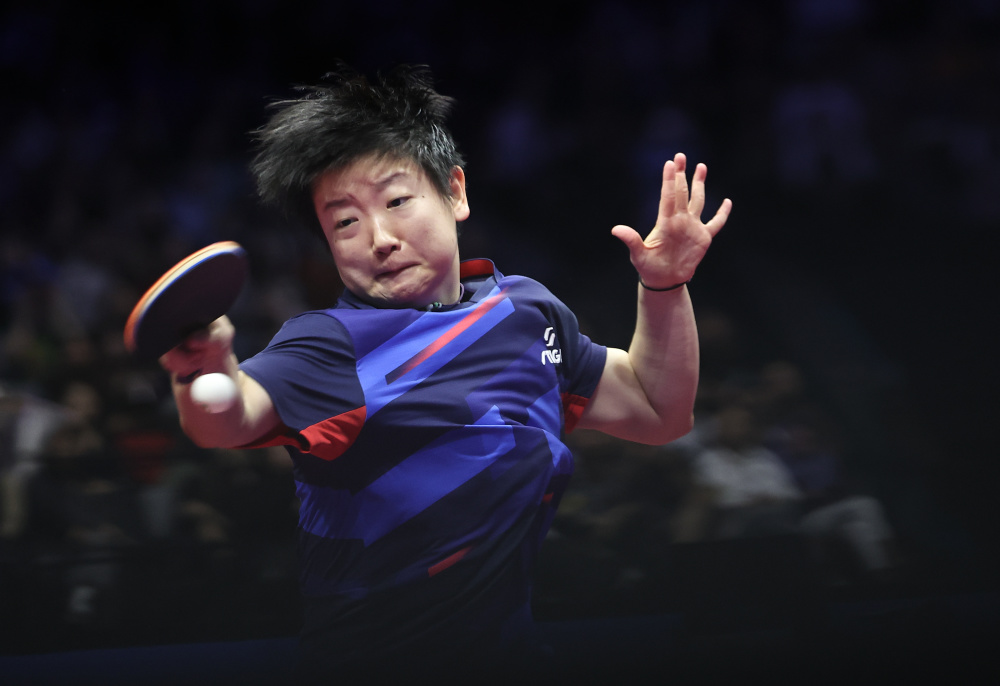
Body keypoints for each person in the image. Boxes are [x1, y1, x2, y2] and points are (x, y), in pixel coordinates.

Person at [158, 64, 731, 678]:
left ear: (455, 191)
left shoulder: (526, 312)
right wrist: (204, 370)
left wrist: (665, 285)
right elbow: (227, 418)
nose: (379, 237)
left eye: (397, 201)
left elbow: (658, 410)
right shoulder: (328, 345)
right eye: (345, 222)